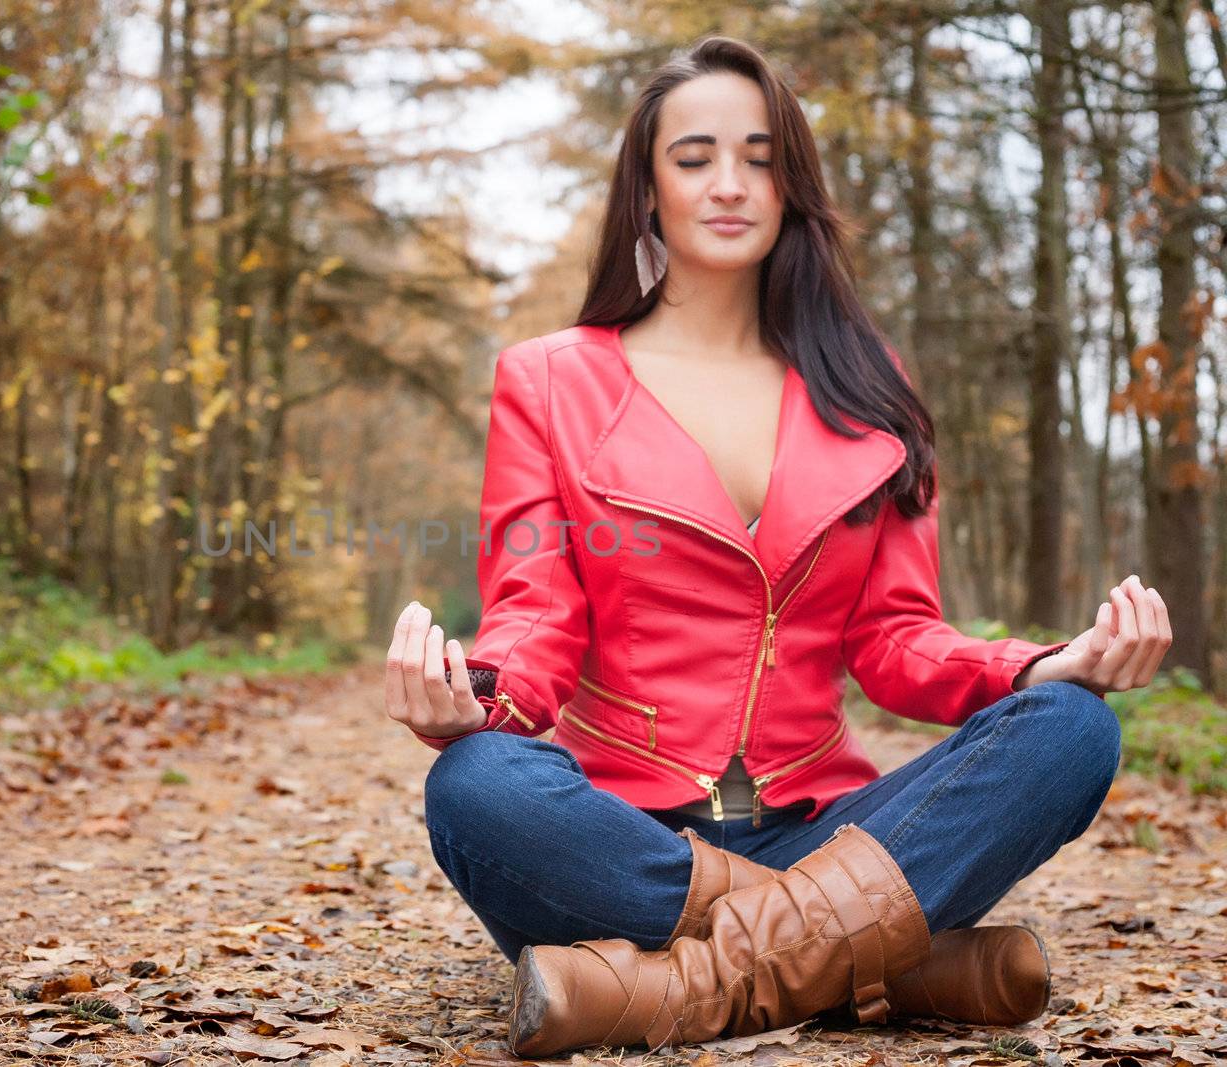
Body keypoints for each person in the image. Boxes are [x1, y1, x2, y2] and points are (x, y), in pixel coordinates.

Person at [380, 34, 1173, 1059]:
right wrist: (474, 693)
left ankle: (667, 990)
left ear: (792, 184)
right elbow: (537, 612)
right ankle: (894, 959)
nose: (729, 184)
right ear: (647, 185)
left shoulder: (871, 386)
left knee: (1070, 728)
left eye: (760, 157)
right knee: (477, 785)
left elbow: (895, 639)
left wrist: (1038, 663)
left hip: (826, 821)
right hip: (620, 839)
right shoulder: (547, 379)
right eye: (695, 156)